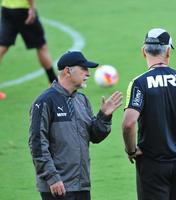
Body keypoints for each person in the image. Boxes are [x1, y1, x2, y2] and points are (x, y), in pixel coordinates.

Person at [122, 28, 176, 200]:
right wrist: (174, 126)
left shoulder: (139, 83)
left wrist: (131, 150)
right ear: (168, 51)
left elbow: (129, 123)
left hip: (152, 163)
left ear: (143, 51)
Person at [29, 51, 123, 200]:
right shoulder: (45, 101)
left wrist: (104, 116)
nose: (88, 74)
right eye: (84, 69)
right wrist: (52, 178)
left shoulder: (82, 100)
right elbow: (37, 144)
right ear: (68, 71)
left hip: (81, 185)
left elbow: (94, 136)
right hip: (58, 186)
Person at [0, 0, 58, 100]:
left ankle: (54, 82)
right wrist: (31, 8)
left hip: (6, 8)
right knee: (41, 46)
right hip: (24, 9)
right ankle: (54, 83)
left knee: (2, 46)